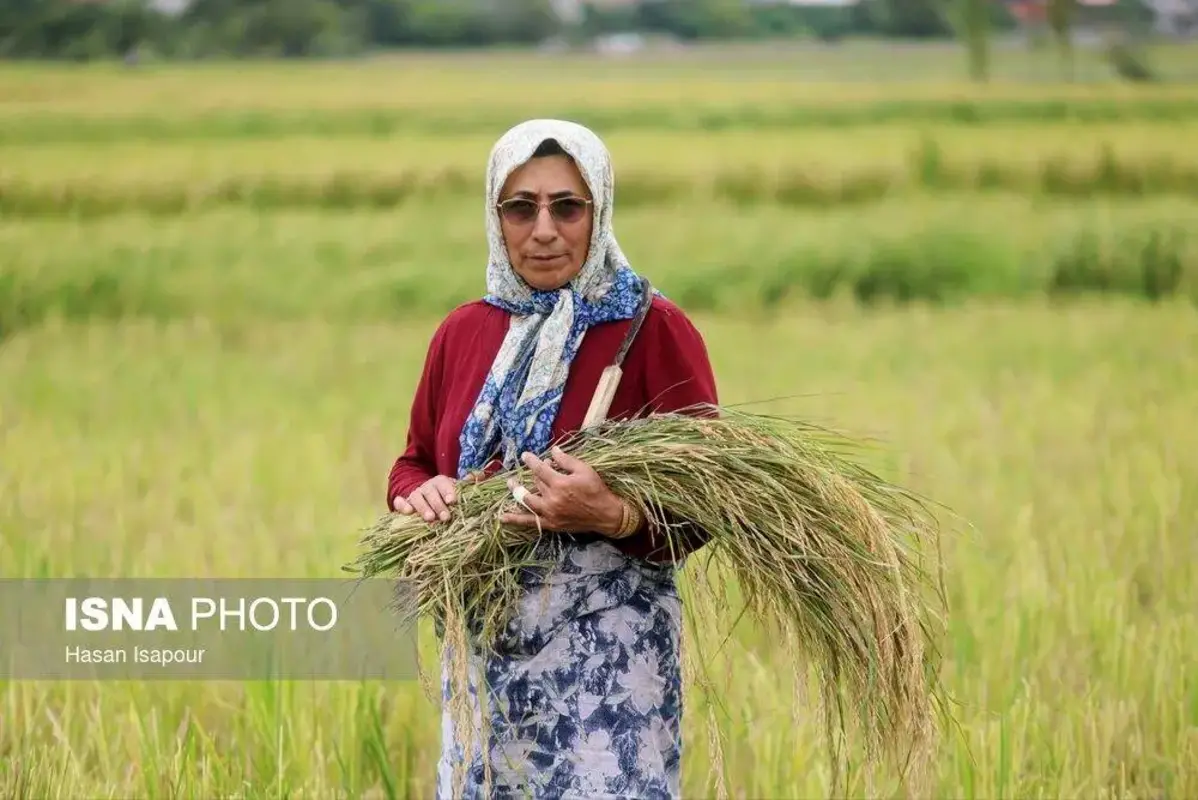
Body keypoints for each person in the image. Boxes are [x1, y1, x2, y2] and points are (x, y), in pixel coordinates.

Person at [386, 118, 719, 799]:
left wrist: (612, 514)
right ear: (495, 216)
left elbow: (711, 503)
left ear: (599, 212)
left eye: (567, 207)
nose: (543, 230)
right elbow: (414, 461)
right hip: (485, 657)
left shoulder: (652, 330)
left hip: (608, 667)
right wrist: (419, 494)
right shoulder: (464, 331)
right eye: (521, 208)